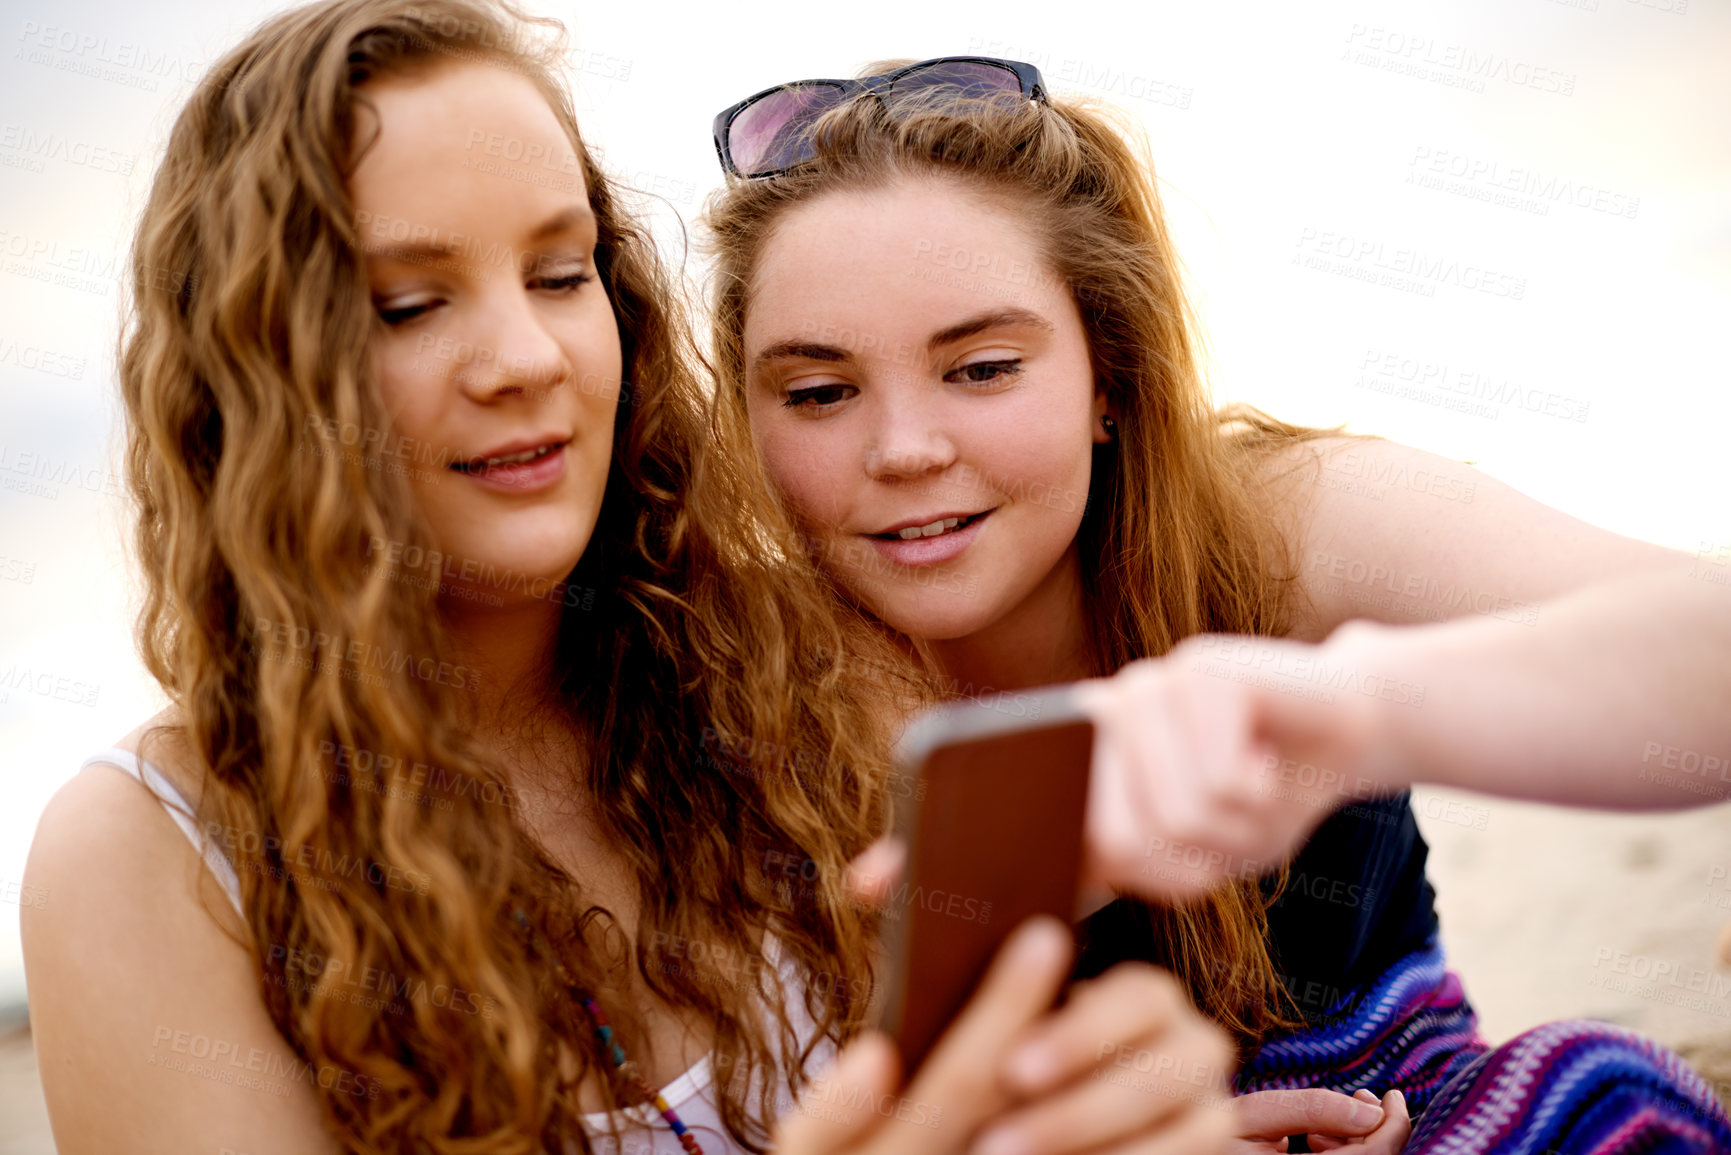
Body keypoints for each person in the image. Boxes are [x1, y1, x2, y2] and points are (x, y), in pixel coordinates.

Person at [19, 15, 1236, 1155]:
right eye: (408, 304)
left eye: (561, 274)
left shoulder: (818, 678)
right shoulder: (153, 855)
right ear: (257, 372)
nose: (526, 359)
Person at [703, 56, 1731, 1152]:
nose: (905, 450)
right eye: (819, 393)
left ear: (1108, 372)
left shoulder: (1280, 522)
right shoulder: (725, 692)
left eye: (983, 367)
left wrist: (1358, 711)